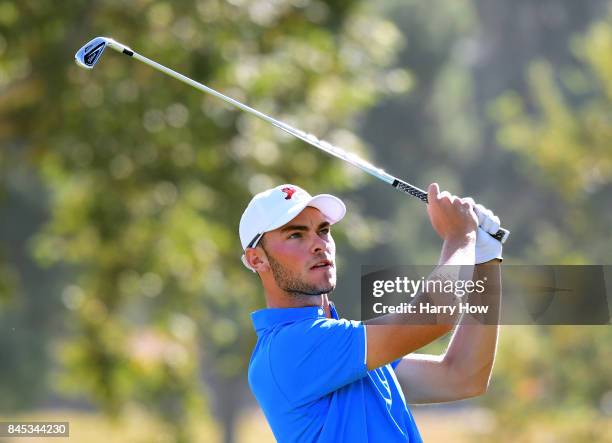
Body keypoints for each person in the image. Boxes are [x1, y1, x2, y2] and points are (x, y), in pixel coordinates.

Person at [239, 183, 503, 442]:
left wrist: (485, 260)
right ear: (256, 259)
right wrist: (460, 237)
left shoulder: (347, 347)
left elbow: (463, 376)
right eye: (296, 235)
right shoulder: (290, 347)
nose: (319, 244)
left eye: (323, 230)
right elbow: (435, 316)